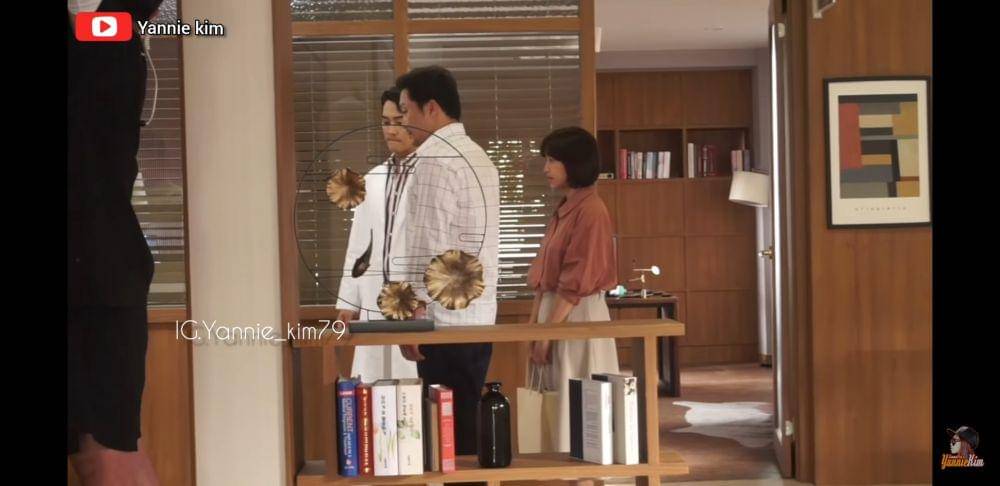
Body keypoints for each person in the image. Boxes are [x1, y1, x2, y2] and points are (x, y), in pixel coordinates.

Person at [68, 0, 162, 484]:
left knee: (109, 453)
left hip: (101, 274)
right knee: (105, 454)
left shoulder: (108, 28)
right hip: (102, 271)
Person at [391, 65, 501, 456]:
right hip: (478, 318)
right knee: (467, 429)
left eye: (406, 111)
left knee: (446, 438)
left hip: (443, 323)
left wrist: (413, 315)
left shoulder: (436, 159)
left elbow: (429, 244)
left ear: (431, 108)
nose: (403, 122)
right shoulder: (478, 156)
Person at [525, 126, 620, 454]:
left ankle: (585, 474)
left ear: (575, 163)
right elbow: (545, 279)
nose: (546, 168)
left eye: (553, 160)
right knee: (558, 403)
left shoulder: (591, 211)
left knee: (581, 404)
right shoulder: (565, 208)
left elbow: (573, 285)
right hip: (556, 315)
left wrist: (546, 335)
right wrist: (535, 330)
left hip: (575, 315)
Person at [336, 87, 419, 383]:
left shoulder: (433, 175)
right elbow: (358, 244)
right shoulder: (372, 180)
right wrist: (347, 303)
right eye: (385, 122)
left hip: (415, 302)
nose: (391, 130)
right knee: (373, 388)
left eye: (399, 121)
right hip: (374, 298)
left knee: (415, 389)